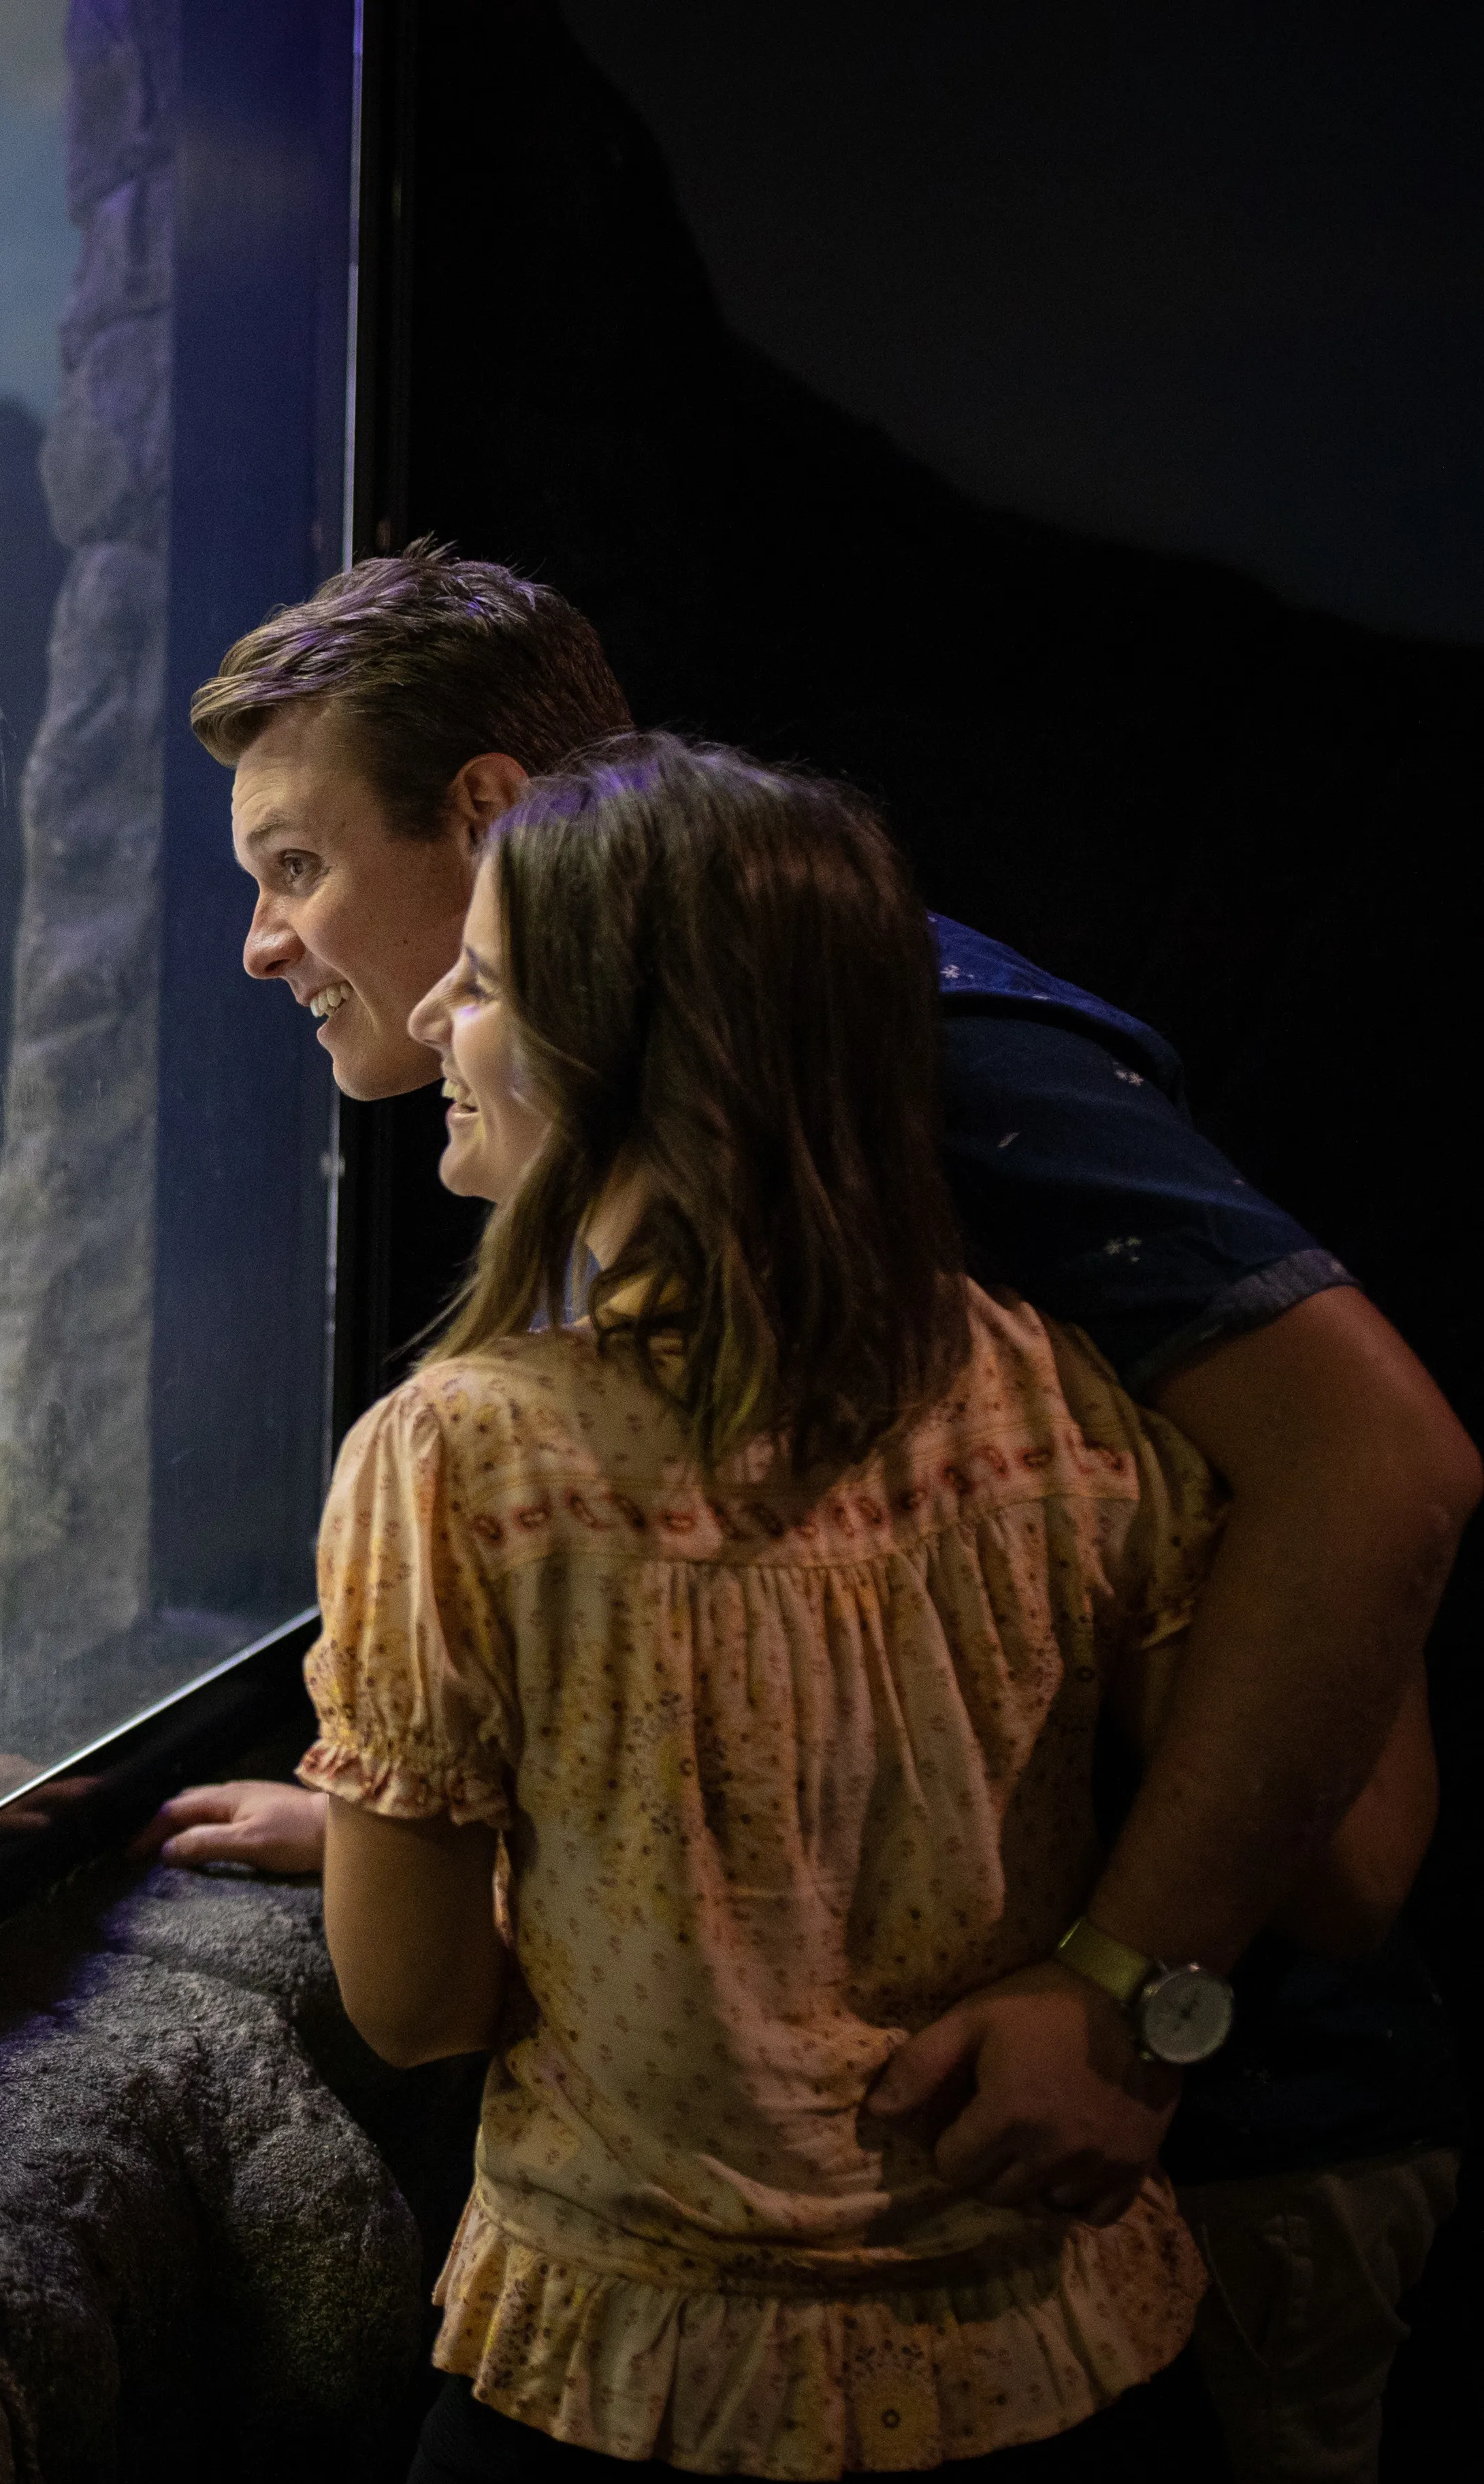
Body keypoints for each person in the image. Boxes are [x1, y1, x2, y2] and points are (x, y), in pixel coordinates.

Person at [150, 549, 1471, 2479]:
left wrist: (1128, 1992)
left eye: (295, 864)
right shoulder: (803, 1142)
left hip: (1202, 2128)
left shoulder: (912, 1069)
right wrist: (430, 1808)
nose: (268, 942)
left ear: (500, 817)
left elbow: (1380, 1498)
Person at [310, 735, 1227, 2476]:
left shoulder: (462, 1462)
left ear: (629, 1060)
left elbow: (415, 2002)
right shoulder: (1061, 1393)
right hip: (1060, 2360)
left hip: (645, 2375)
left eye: (488, 985)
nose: (434, 1018)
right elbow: (1194, 1803)